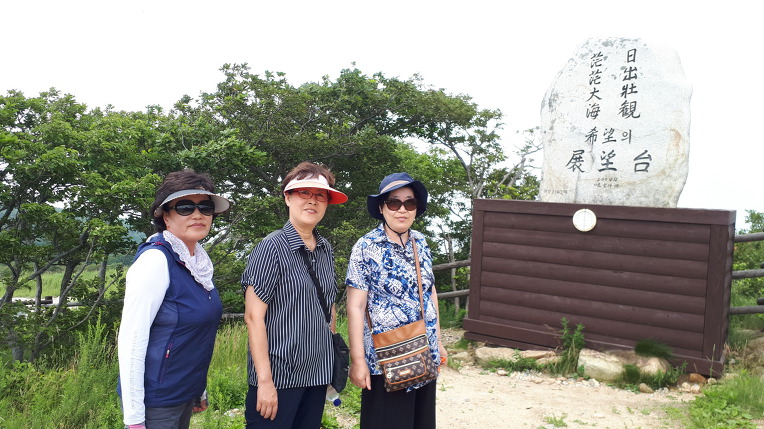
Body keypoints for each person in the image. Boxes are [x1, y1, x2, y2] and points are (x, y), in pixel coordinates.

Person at [117, 169, 231, 429]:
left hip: (183, 393)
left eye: (205, 207)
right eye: (185, 207)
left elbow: (195, 336)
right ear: (165, 216)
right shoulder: (156, 261)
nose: (197, 214)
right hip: (157, 401)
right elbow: (131, 340)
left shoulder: (198, 264)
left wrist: (198, 389)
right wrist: (134, 419)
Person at [241, 161, 348, 429]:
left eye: (320, 195)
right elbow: (254, 317)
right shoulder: (271, 247)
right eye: (304, 193)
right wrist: (265, 382)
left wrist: (329, 364)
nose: (312, 200)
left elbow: (329, 307)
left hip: (317, 376)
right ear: (288, 197)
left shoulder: (325, 249)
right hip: (279, 378)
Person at [345, 172, 447, 429]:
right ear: (382, 207)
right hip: (385, 357)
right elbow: (355, 306)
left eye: (409, 203)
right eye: (394, 202)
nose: (402, 209)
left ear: (416, 208)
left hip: (424, 351)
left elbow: (430, 292)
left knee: (420, 422)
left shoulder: (421, 242)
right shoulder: (365, 247)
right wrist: (358, 360)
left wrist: (439, 342)